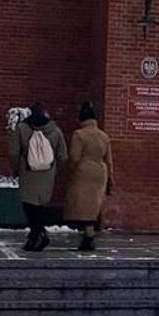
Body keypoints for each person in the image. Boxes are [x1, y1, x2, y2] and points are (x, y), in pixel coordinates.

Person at [10, 103, 68, 252]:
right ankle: (35, 235)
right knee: (40, 205)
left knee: (29, 205)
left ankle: (38, 233)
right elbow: (63, 156)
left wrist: (16, 168)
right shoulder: (55, 130)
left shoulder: (22, 128)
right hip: (47, 173)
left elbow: (14, 152)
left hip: (28, 171)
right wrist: (57, 170)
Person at [63, 102, 113, 252]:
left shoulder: (79, 135)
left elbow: (74, 157)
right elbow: (109, 160)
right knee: (93, 204)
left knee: (82, 204)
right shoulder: (104, 136)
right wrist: (111, 177)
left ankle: (88, 236)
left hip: (83, 171)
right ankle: (88, 234)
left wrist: (70, 170)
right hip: (100, 171)